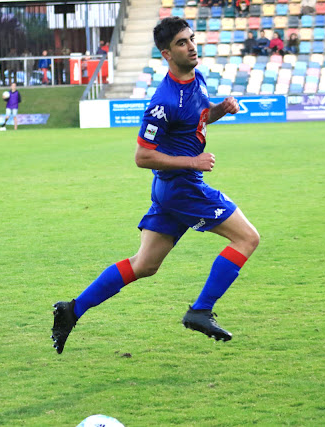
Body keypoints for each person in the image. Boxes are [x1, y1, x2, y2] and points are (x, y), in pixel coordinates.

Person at [51, 17, 259, 354]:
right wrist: (194, 162)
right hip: (183, 188)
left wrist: (220, 109)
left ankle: (72, 309)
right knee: (248, 238)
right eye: (181, 43)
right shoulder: (162, 101)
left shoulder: (197, 77)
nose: (191, 46)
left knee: (144, 264)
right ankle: (200, 310)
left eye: (191, 39)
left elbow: (199, 118)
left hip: (171, 190)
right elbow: (142, 157)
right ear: (166, 54)